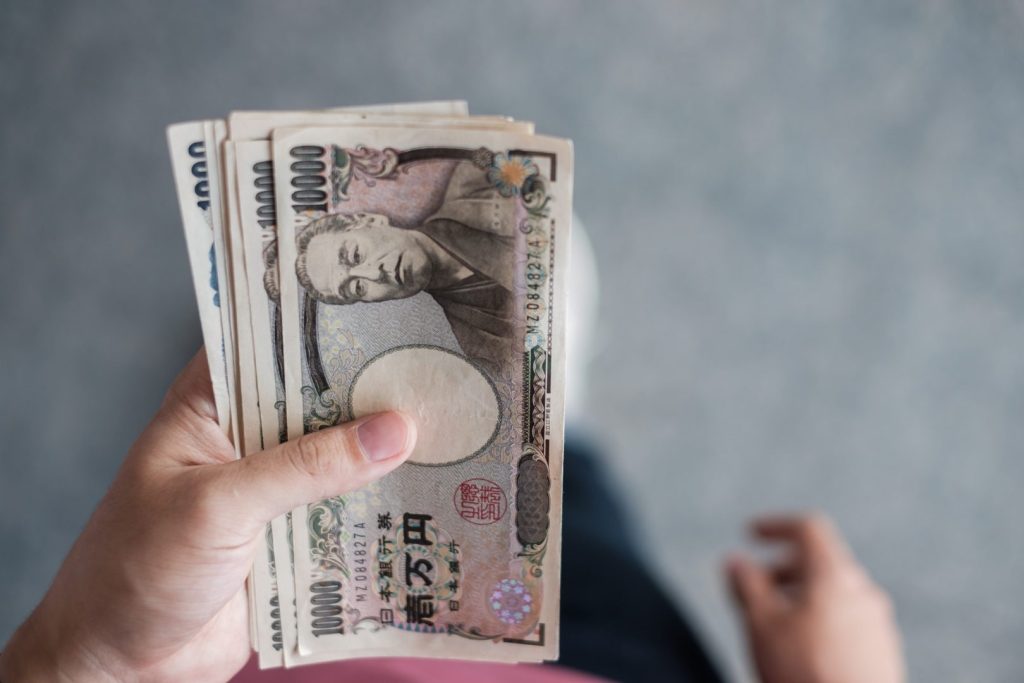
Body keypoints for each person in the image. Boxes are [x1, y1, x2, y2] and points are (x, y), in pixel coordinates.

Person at [0, 349, 906, 683]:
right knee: (566, 505)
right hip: (616, 665)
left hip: (286, 658)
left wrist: (91, 661)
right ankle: (548, 408)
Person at [295, 160, 521, 369]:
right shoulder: (480, 345)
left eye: (355, 255)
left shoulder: (479, 181)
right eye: (357, 288)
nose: (375, 274)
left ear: (371, 221)